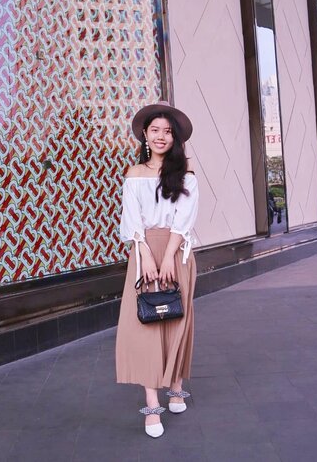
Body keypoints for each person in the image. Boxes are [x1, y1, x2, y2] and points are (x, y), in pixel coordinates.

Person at [115, 101, 199, 439]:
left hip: (177, 252)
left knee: (176, 317)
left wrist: (168, 258)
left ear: (175, 138)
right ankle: (152, 403)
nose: (161, 136)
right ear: (145, 137)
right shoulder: (134, 174)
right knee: (146, 322)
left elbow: (185, 219)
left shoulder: (186, 175)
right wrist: (146, 255)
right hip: (143, 250)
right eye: (155, 131)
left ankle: (176, 384)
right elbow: (132, 219)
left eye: (167, 131)